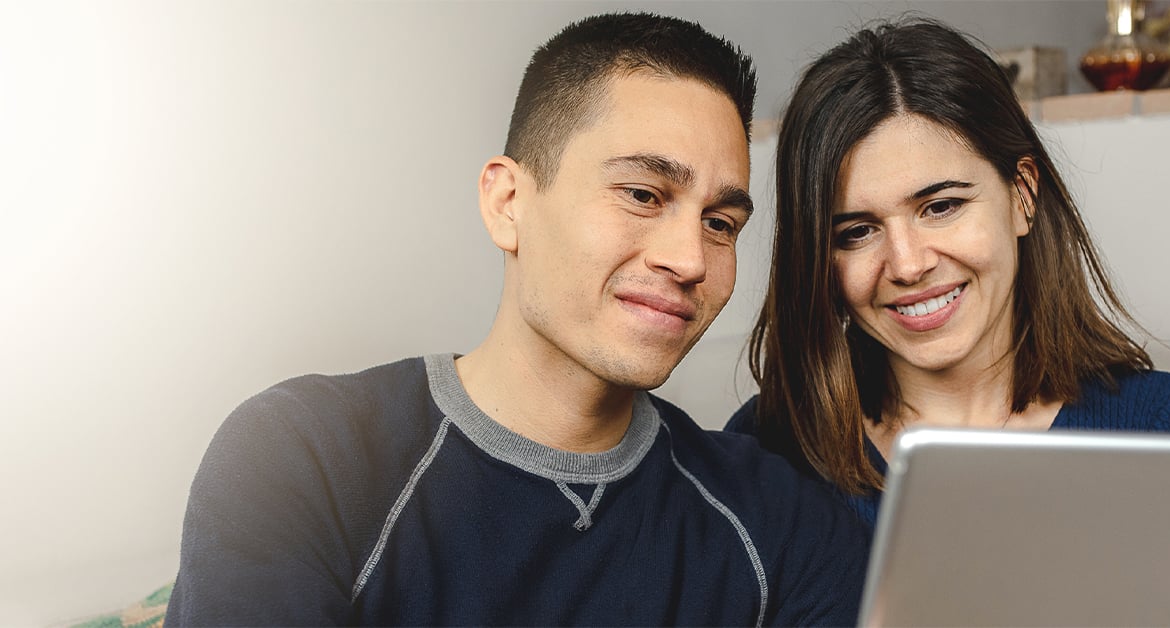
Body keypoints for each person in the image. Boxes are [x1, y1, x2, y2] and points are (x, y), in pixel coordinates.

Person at [165, 12, 870, 626]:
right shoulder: (303, 457)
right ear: (508, 202)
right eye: (642, 193)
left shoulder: (780, 518)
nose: (690, 259)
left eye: (720, 222)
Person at [726, 17, 1170, 528]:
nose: (908, 265)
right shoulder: (764, 451)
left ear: (1022, 195)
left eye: (941, 206)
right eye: (857, 232)